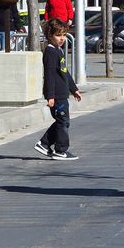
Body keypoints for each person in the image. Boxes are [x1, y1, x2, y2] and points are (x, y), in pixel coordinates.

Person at [33, 18, 82, 161]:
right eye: (58, 35)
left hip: (62, 93)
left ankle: (44, 143)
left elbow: (64, 72)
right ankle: (60, 150)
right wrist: (50, 96)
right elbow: (49, 75)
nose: (62, 38)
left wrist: (74, 89)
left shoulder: (58, 51)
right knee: (63, 121)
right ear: (50, 35)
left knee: (62, 121)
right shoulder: (50, 52)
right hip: (56, 95)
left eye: (64, 35)